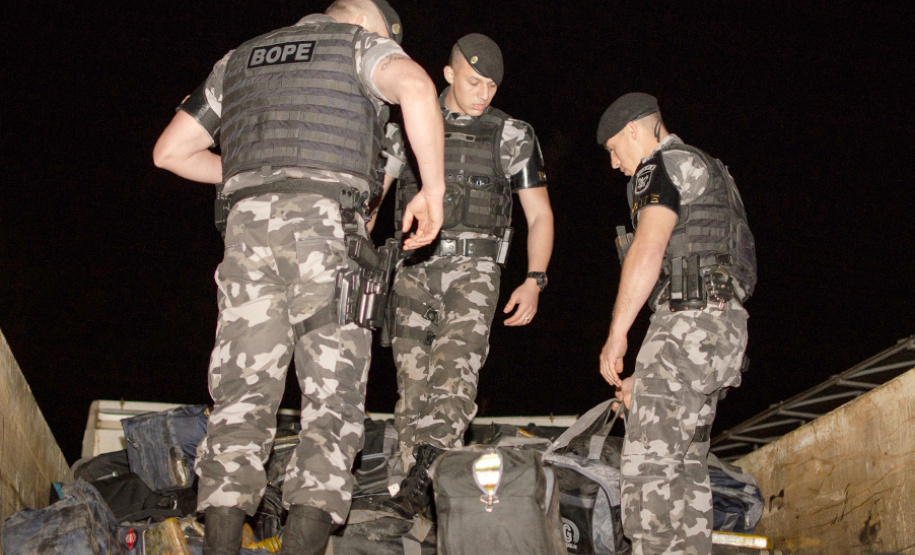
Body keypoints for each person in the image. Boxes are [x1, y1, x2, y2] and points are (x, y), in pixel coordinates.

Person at [151, 1, 446, 552]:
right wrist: (433, 191)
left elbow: (169, 152)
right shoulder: (357, 44)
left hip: (246, 236)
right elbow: (417, 87)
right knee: (332, 404)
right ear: (366, 20)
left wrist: (253, 170)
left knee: (240, 400)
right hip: (324, 231)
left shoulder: (236, 59)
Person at [380, 33, 554, 517]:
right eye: (474, 82)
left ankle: (425, 479)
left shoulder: (512, 134)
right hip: (412, 269)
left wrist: (534, 279)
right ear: (448, 74)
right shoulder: (407, 125)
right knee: (412, 390)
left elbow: (540, 214)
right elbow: (376, 199)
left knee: (455, 374)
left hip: (474, 271)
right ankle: (413, 499)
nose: (484, 94)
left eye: (492, 85)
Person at [596, 93, 756, 554]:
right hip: (721, 331)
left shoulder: (660, 165)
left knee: (649, 474)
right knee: (684, 470)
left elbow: (648, 247)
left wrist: (617, 335)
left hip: (686, 323)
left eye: (613, 149)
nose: (614, 164)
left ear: (633, 130)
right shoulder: (711, 168)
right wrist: (649, 377)